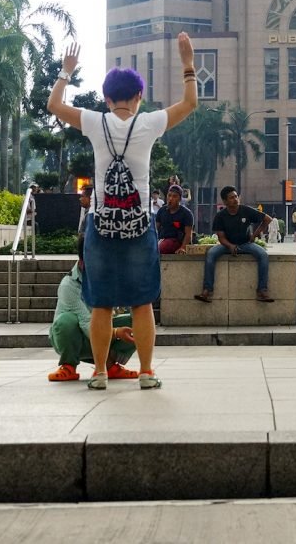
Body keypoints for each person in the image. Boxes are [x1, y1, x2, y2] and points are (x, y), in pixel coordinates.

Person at [46, 33, 198, 391]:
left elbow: (54, 105)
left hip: (101, 226)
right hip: (139, 226)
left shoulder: (94, 122)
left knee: (100, 304)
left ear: (106, 98)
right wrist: (187, 63)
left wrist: (66, 72)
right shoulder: (148, 124)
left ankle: (99, 372)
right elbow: (190, 103)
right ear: (140, 97)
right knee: (142, 303)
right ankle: (146, 372)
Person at [48, 237, 139, 382]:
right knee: (66, 321)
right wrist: (116, 332)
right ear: (83, 263)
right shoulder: (69, 285)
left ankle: (108, 366)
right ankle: (68, 365)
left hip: (103, 331)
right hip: (76, 339)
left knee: (137, 320)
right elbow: (86, 323)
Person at [195, 185, 275, 304]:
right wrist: (230, 246)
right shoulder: (220, 216)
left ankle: (262, 290)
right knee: (211, 254)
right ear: (225, 201)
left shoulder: (246, 210)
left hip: (245, 244)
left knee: (263, 254)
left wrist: (255, 234)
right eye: (231, 198)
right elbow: (221, 238)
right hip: (226, 245)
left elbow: (267, 219)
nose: (235, 199)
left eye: (236, 196)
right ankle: (207, 290)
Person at [156, 184, 193, 255]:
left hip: (177, 240)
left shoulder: (186, 213)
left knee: (160, 248)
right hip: (162, 239)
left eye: (174, 196)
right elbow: (156, 229)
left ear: (179, 199)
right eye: (169, 195)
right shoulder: (161, 211)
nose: (170, 199)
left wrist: (183, 247)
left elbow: (188, 234)